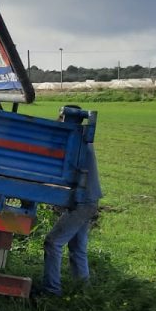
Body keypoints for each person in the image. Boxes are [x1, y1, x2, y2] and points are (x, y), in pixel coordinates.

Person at [40, 105, 102, 296]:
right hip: (88, 201)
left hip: (83, 203)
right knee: (77, 248)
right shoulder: (82, 139)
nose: (58, 122)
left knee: (53, 243)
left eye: (60, 118)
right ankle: (83, 292)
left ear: (67, 119)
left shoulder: (75, 142)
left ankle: (52, 292)